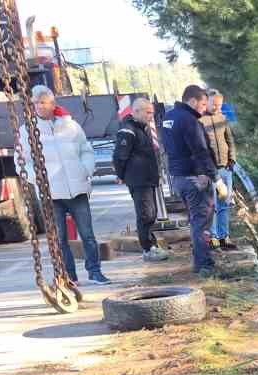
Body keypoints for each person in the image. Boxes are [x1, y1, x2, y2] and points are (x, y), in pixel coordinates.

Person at [25, 85, 109, 285]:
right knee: (60, 239)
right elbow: (23, 161)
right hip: (51, 193)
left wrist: (85, 170)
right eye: (36, 103)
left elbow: (86, 150)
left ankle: (95, 272)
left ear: (53, 104)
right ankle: (69, 276)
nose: (39, 106)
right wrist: (37, 179)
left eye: (43, 102)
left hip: (77, 189)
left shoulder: (71, 126)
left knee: (87, 235)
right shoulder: (28, 130)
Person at [163, 84, 217, 277]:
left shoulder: (168, 117)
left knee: (195, 221)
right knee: (201, 223)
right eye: (203, 104)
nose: (204, 109)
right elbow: (200, 151)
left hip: (179, 177)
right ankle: (205, 266)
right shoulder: (189, 120)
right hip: (195, 178)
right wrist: (214, 177)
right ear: (192, 101)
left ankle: (199, 261)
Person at [113, 97, 170, 262]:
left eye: (152, 112)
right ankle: (147, 248)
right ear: (136, 111)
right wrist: (121, 175)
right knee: (145, 214)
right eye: (148, 112)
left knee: (151, 214)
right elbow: (119, 156)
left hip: (147, 179)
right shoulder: (128, 130)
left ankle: (151, 245)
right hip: (138, 180)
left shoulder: (142, 128)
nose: (151, 116)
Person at [201, 89, 239, 250]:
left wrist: (232, 159)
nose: (217, 107)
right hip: (210, 171)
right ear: (207, 102)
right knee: (212, 206)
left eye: (219, 105)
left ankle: (225, 236)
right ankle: (214, 236)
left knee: (224, 204)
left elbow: (230, 140)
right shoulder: (200, 121)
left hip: (225, 168)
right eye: (214, 104)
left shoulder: (222, 118)